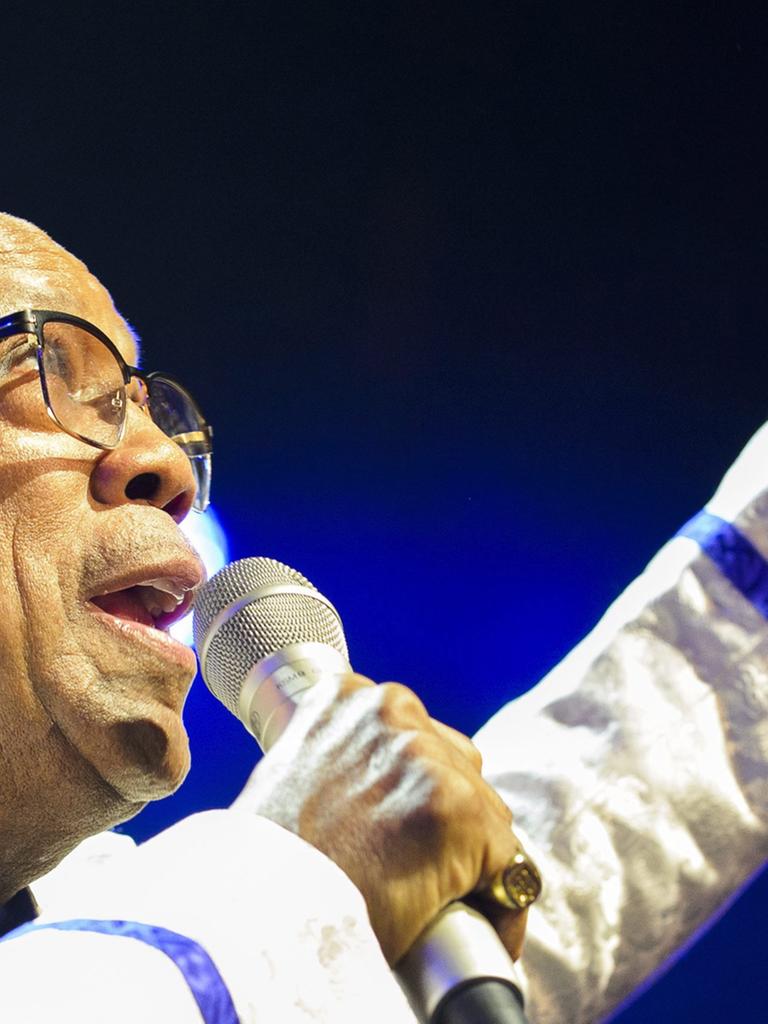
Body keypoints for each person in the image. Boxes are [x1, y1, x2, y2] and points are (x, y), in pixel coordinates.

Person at [0, 210, 766, 1023]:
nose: (164, 463)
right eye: (43, 369)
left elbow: (603, 810)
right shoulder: (159, 944)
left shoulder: (105, 931)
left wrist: (348, 875)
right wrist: (297, 878)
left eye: (146, 409)